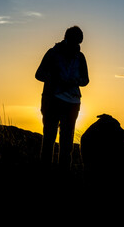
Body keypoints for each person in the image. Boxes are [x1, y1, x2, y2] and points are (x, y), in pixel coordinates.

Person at [35, 26, 89, 171]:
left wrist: (76, 81)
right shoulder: (52, 53)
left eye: (78, 43)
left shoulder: (80, 57)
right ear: (66, 39)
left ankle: (64, 175)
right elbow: (39, 74)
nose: (76, 46)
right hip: (52, 100)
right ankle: (45, 171)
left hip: (72, 103)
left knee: (67, 142)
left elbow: (86, 80)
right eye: (74, 42)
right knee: (49, 138)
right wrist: (55, 79)